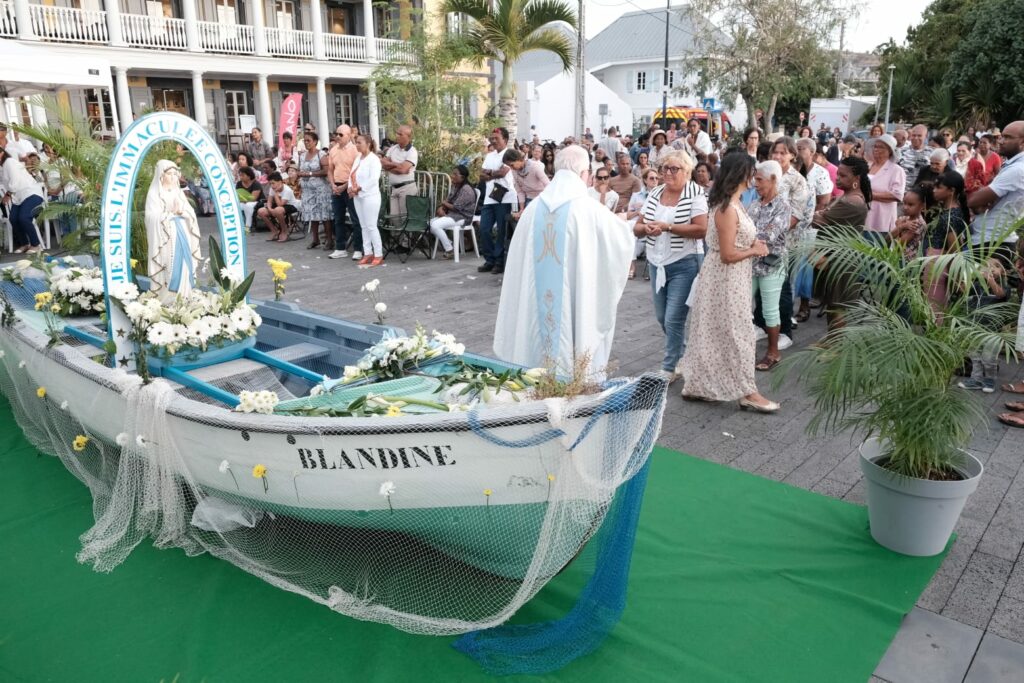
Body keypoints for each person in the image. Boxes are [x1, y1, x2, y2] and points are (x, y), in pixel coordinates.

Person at [493, 145, 633, 381]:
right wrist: (630, 226)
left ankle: (533, 377)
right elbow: (619, 241)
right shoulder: (588, 209)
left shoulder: (533, 209)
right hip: (575, 301)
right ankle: (574, 381)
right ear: (583, 174)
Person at [680, 152, 776, 411]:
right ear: (740, 175)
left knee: (719, 331)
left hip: (733, 278)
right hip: (725, 278)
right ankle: (747, 391)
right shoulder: (726, 209)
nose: (755, 179)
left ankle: (702, 386)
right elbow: (728, 254)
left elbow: (735, 245)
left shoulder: (736, 204)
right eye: (751, 173)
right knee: (738, 333)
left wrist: (754, 244)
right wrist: (754, 250)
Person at [633, 150, 708, 380]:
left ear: (687, 171)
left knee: (673, 318)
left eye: (674, 169)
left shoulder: (696, 193)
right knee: (661, 316)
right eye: (665, 168)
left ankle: (669, 367)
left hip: (685, 262)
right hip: (657, 262)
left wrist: (668, 227)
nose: (668, 172)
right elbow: (637, 226)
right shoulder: (655, 193)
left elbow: (701, 229)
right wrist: (646, 228)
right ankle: (684, 354)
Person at [812, 157, 872, 330]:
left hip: (841, 259)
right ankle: (832, 340)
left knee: (838, 305)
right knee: (832, 302)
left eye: (843, 176)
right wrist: (822, 215)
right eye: (838, 174)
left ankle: (836, 345)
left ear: (857, 179)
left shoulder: (851, 202)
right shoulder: (846, 196)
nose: (837, 178)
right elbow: (819, 217)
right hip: (833, 256)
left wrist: (822, 214)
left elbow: (816, 220)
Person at [747, 160, 792, 371]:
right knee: (743, 305)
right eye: (755, 179)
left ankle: (773, 352)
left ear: (773, 179)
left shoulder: (783, 206)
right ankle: (743, 349)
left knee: (770, 310)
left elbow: (769, 235)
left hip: (772, 264)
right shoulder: (755, 205)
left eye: (759, 179)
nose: (755, 183)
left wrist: (747, 239)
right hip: (750, 262)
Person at [967, 120, 1024, 270]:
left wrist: (981, 197)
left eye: (1007, 137)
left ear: (1022, 142)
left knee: (982, 293)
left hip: (993, 242)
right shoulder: (1012, 165)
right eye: (1001, 137)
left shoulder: (1018, 169)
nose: (1001, 141)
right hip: (989, 239)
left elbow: (973, 200)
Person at [144, 159, 202, 300]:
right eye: (169, 173)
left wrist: (182, 212)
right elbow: (151, 217)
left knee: (184, 264)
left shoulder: (178, 193)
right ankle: (167, 298)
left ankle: (184, 294)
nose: (173, 177)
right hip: (166, 237)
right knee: (169, 265)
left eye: (175, 174)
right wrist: (170, 214)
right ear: (161, 175)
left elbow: (190, 213)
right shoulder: (154, 194)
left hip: (182, 232)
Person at [477, 127, 517, 275]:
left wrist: (491, 174)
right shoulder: (490, 155)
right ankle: (489, 259)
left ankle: (499, 262)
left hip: (505, 197)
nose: (493, 141)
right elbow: (482, 174)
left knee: (501, 231)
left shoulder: (509, 154)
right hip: (489, 197)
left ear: (505, 140)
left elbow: (503, 172)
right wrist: (493, 174)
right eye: (492, 138)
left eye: (496, 138)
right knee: (484, 229)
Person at [327, 124, 363, 260]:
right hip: (336, 186)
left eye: (341, 134)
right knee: (338, 219)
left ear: (349, 136)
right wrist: (332, 184)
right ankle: (340, 247)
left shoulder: (355, 150)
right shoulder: (333, 150)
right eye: (336, 134)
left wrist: (345, 186)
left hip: (350, 187)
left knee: (355, 219)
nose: (337, 136)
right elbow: (330, 169)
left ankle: (358, 249)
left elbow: (357, 172)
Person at [348, 134, 384, 267]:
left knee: (371, 225)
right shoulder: (358, 158)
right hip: (358, 196)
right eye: (356, 142)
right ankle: (367, 252)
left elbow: (374, 179)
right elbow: (351, 174)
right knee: (363, 225)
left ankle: (378, 254)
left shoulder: (374, 159)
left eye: (359, 142)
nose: (356, 145)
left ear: (368, 144)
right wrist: (350, 188)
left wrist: (359, 188)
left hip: (370, 196)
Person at [0, 148, 45, 253]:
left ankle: (36, 245)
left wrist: (7, 195)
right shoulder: (3, 166)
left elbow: (14, 183)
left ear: (2, 153)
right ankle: (25, 244)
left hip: (32, 194)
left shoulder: (9, 162)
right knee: (13, 219)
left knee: (24, 217)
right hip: (19, 198)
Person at [429, 165, 477, 259]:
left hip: (463, 217)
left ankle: (449, 250)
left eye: (455, 174)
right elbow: (449, 201)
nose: (452, 176)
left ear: (462, 177)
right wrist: (441, 208)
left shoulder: (466, 189)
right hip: (453, 214)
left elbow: (456, 207)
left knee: (435, 225)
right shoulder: (456, 186)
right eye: (453, 173)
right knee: (429, 223)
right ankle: (450, 243)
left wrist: (443, 203)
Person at [296, 131, 332, 250]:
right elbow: (299, 169)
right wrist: (299, 174)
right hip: (307, 191)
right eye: (304, 141)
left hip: (321, 190)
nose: (306, 143)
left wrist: (310, 173)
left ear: (315, 142)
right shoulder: (302, 156)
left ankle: (329, 240)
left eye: (309, 140)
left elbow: (326, 171)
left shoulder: (321, 154)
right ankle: (315, 239)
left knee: (324, 215)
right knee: (312, 215)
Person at [865, 134, 906, 234]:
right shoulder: (868, 166)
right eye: (875, 146)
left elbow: (897, 195)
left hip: (882, 220)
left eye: (881, 147)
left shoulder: (896, 170)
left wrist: (870, 195)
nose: (876, 149)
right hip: (863, 217)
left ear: (890, 152)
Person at [626, 168, 661, 279]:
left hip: (654, 224)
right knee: (630, 230)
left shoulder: (662, 195)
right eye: (651, 178)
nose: (654, 180)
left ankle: (653, 267)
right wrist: (638, 211)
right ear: (645, 180)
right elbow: (628, 215)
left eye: (656, 178)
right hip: (638, 226)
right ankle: (632, 267)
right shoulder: (636, 196)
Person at [380, 125, 418, 219]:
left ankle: (405, 235)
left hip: (407, 188)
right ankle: (396, 234)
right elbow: (383, 164)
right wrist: (398, 165)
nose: (397, 135)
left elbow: (403, 169)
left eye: (400, 134)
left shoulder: (412, 151)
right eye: (397, 133)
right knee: (394, 218)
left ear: (408, 137)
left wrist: (390, 166)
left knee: (405, 219)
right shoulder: (393, 148)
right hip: (394, 188)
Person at [257, 171, 301, 242]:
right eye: (270, 183)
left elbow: (280, 204)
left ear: (280, 182)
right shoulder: (272, 188)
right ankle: (274, 231)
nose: (272, 185)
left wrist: (276, 193)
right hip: (279, 206)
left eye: (273, 183)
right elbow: (269, 201)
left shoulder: (287, 190)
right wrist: (270, 209)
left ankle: (285, 231)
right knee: (261, 211)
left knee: (278, 210)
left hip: (291, 205)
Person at [890, 185, 931, 262]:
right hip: (897, 259)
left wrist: (900, 227)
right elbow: (887, 239)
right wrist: (902, 226)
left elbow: (898, 245)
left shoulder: (917, 223)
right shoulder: (905, 218)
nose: (905, 207)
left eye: (910, 204)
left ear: (922, 206)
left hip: (906, 263)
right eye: (904, 203)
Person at [508, 147, 549, 213]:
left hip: (541, 199)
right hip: (528, 199)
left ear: (518, 159)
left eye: (512, 165)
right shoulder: (514, 171)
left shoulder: (535, 166)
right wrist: (521, 209)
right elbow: (520, 191)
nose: (511, 168)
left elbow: (548, 184)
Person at [899, 124, 931, 191]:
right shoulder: (901, 152)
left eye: (919, 136)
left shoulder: (932, 153)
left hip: (921, 193)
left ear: (926, 136)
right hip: (902, 191)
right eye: (913, 135)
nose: (916, 138)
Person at [235, 166, 263, 231]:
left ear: (249, 176)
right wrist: (243, 199)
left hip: (257, 202)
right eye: (240, 175)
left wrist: (244, 199)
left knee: (248, 206)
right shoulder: (239, 184)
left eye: (243, 175)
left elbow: (253, 198)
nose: (241, 177)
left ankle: (248, 226)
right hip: (243, 202)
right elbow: (238, 196)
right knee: (236, 206)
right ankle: (238, 225)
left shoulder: (256, 184)